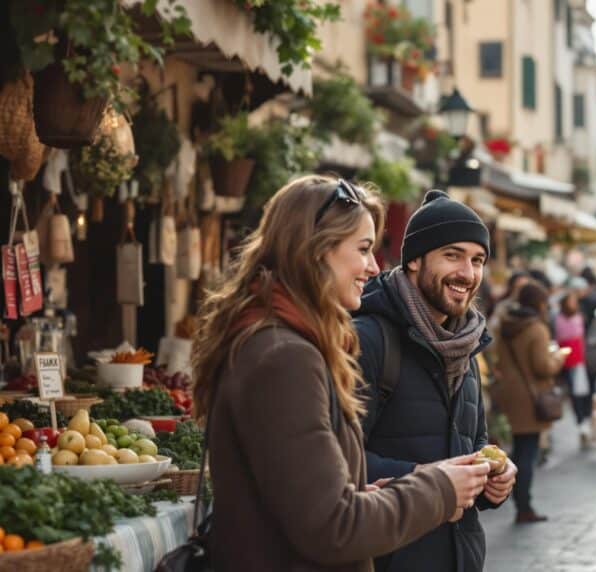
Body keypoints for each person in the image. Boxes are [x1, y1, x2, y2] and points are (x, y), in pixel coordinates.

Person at [191, 177, 491, 571]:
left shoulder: (291, 344)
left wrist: (372, 493)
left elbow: (306, 499)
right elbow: (332, 526)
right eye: (364, 249)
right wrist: (437, 488)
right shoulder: (284, 357)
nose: (373, 265)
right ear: (316, 251)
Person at [355, 190, 517, 572]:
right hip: (389, 556)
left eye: (477, 260)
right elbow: (333, 464)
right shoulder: (368, 340)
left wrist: (492, 479)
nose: (468, 273)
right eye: (452, 255)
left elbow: (470, 443)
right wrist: (430, 480)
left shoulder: (464, 344)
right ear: (414, 259)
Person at [494, 282, 567, 523]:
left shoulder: (505, 325)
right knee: (527, 452)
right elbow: (541, 367)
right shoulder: (536, 329)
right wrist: (557, 358)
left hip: (510, 393)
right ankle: (523, 505)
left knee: (519, 447)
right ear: (539, 303)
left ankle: (516, 497)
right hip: (531, 396)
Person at [555, 290, 593, 446]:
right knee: (575, 393)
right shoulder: (559, 319)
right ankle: (581, 422)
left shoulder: (579, 316)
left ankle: (586, 421)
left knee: (585, 392)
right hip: (569, 360)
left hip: (581, 358)